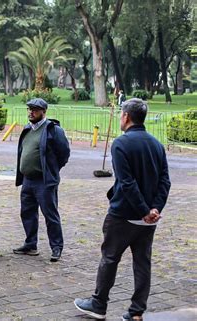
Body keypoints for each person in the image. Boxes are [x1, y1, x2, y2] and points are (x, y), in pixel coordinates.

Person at [74, 98, 171, 321]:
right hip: (149, 220)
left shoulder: (121, 144)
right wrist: (154, 208)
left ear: (126, 116)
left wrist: (143, 210)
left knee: (109, 258)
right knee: (142, 263)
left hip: (124, 215)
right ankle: (137, 311)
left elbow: (126, 183)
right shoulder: (157, 144)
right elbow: (165, 181)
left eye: (121, 114)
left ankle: (99, 305)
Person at [13, 98, 70, 262]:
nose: (31, 112)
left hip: (44, 181)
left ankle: (56, 247)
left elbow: (64, 153)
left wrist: (52, 170)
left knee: (50, 215)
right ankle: (30, 244)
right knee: (27, 213)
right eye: (29, 109)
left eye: (35, 110)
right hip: (27, 180)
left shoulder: (53, 130)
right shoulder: (27, 129)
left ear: (44, 112)